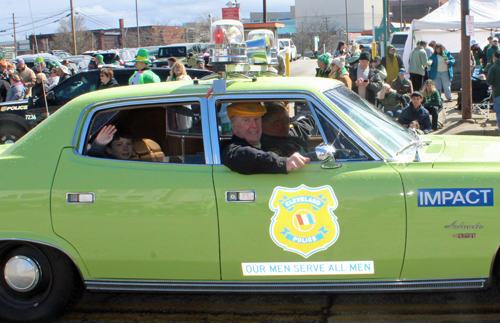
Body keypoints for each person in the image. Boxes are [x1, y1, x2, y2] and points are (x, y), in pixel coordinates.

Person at [220, 102, 310, 175]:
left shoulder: (270, 140)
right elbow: (249, 158)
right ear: (234, 127)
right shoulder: (231, 150)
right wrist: (284, 163)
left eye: (256, 119)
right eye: (246, 120)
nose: (254, 125)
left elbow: (300, 129)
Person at [486, 51, 500, 130]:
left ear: (495, 58)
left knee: (499, 113)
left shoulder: (493, 68)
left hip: (498, 93)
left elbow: (489, 82)